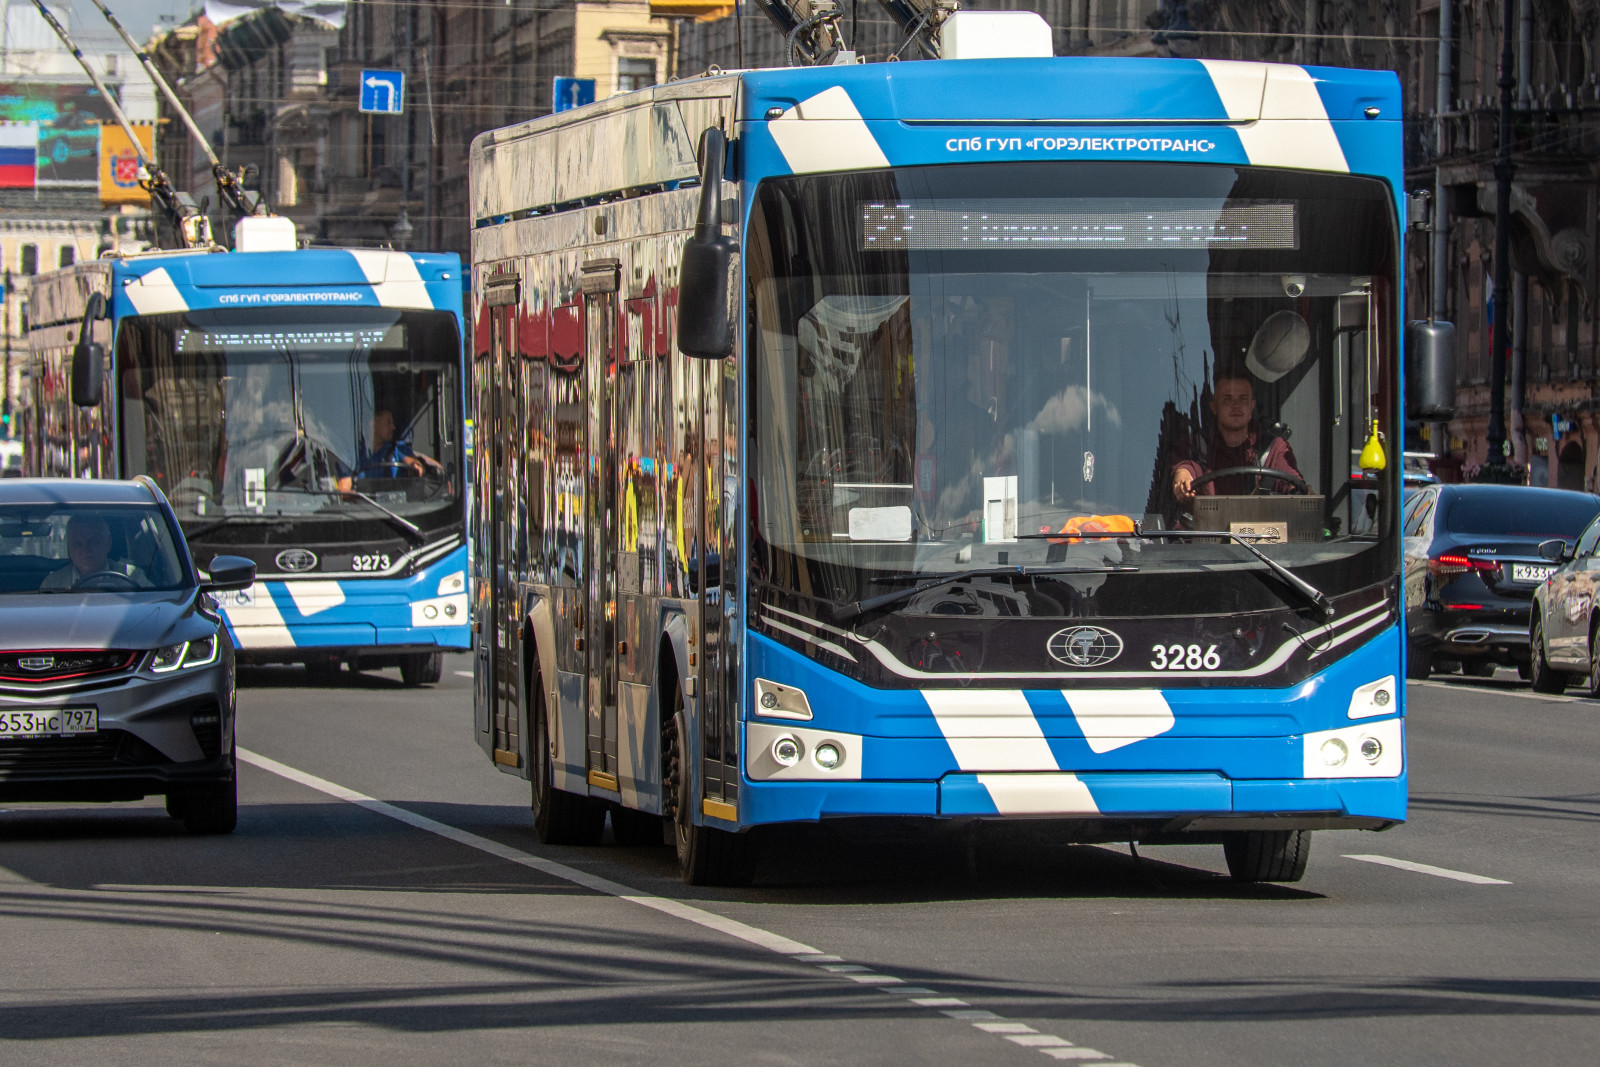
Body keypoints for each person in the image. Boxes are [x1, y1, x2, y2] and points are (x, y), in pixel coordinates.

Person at [1170, 364, 1303, 505]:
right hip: (1205, 526)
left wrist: (1295, 490)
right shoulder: (1198, 444)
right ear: (1214, 407)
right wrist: (1183, 475)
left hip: (1260, 525)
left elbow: (1290, 481)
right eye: (1227, 399)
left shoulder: (1273, 447)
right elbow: (1186, 465)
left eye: (1243, 399)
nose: (1236, 406)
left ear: (1252, 406)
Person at [39, 514, 150, 590]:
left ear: (108, 544)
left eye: (93, 542)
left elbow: (154, 604)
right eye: (78, 544)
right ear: (69, 548)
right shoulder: (54, 584)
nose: (85, 549)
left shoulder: (132, 577)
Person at [338, 408, 441, 490]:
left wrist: (416, 468)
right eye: (388, 422)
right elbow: (344, 490)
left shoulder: (397, 449)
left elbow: (415, 464)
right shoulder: (352, 455)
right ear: (373, 423)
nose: (393, 427)